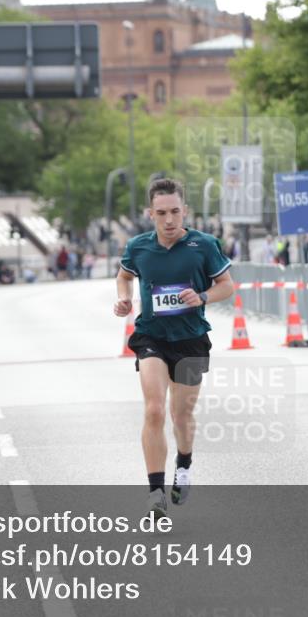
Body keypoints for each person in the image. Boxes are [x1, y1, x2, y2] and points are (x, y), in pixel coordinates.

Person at [114, 178, 234, 519]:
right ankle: (155, 493)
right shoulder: (139, 247)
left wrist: (203, 297)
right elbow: (124, 276)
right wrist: (124, 298)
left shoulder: (204, 245)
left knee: (181, 415)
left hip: (191, 339)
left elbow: (227, 285)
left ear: (186, 211)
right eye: (162, 213)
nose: (169, 220)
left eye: (175, 212)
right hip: (151, 336)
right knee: (154, 410)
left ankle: (184, 463)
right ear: (150, 213)